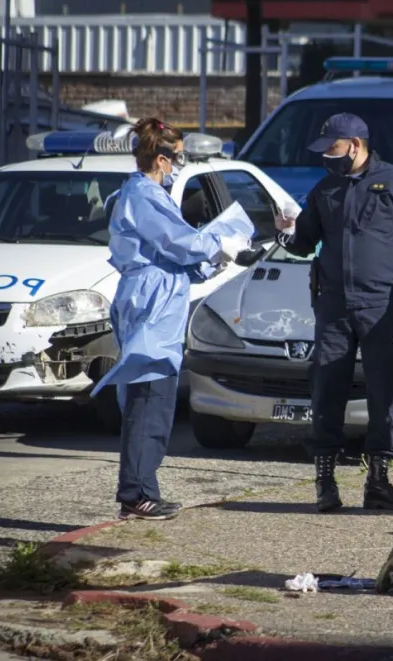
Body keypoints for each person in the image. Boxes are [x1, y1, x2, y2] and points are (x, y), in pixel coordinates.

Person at [91, 118, 253, 521]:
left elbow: (176, 255)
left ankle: (143, 489)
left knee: (154, 400)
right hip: (151, 304)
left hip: (159, 298)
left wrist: (213, 262)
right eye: (177, 158)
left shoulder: (148, 194)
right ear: (161, 159)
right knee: (150, 400)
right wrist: (220, 240)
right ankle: (136, 492)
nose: (179, 165)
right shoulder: (144, 195)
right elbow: (181, 243)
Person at [274, 113, 393, 514]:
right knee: (327, 388)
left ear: (356, 145)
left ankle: (378, 482)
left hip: (382, 305)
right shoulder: (325, 189)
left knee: (384, 393)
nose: (327, 157)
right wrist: (284, 232)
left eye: (333, 148)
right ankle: (325, 482)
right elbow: (303, 242)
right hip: (334, 305)